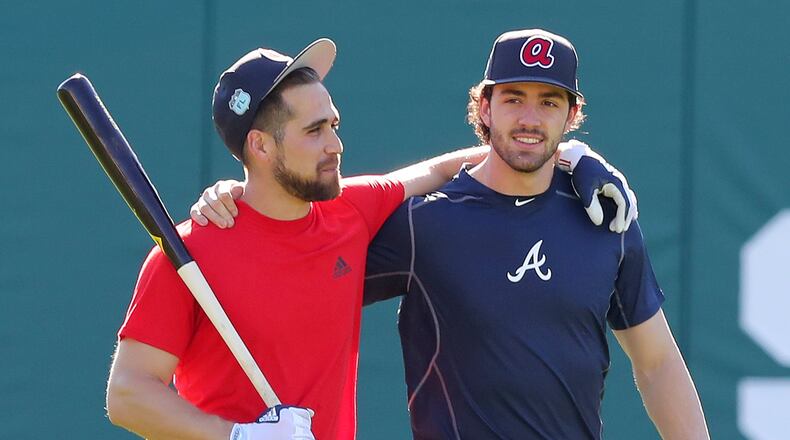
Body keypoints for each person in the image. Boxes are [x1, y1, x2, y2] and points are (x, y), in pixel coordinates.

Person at [141, 39, 634, 440]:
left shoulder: (352, 209)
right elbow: (128, 394)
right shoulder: (190, 251)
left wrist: (569, 153)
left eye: (333, 125)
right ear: (261, 145)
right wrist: (238, 437)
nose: (336, 144)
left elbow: (450, 167)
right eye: (315, 130)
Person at [360, 29, 710, 439]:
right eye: (513, 99)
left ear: (571, 115)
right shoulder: (426, 223)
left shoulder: (605, 218)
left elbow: (658, 363)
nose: (530, 118)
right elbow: (313, 276)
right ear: (485, 108)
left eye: (548, 102)